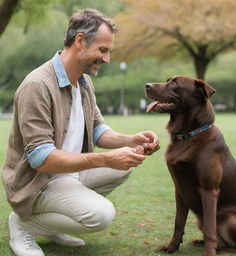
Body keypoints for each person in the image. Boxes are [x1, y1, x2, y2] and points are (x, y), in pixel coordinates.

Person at [2, 8, 159, 256]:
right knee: (101, 215)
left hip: (69, 174)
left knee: (125, 163)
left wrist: (131, 139)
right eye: (103, 50)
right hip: (38, 183)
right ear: (80, 41)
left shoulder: (84, 82)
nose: (107, 59)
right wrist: (106, 158)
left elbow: (97, 130)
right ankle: (23, 225)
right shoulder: (37, 85)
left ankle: (52, 226)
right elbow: (41, 159)